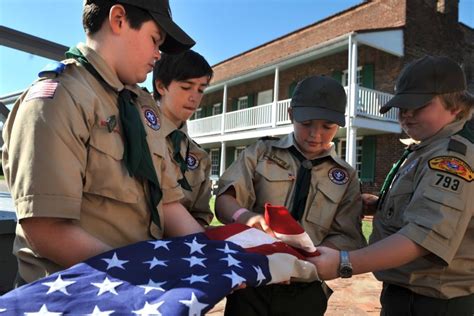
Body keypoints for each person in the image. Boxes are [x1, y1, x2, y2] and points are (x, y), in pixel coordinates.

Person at [1, 0, 204, 286]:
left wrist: (211, 258)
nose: (158, 54)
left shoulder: (142, 109)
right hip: (78, 296)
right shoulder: (58, 98)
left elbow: (168, 205)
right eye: (154, 39)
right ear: (119, 19)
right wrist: (146, 277)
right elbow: (46, 229)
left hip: (138, 292)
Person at [312, 55, 474, 315]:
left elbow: (424, 237)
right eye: (402, 106)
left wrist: (345, 261)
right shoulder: (426, 148)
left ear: (455, 107)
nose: (406, 114)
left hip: (434, 304)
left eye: (418, 106)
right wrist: (382, 206)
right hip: (407, 296)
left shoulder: (450, 159)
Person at [214, 75, 367, 316]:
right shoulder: (261, 152)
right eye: (306, 123)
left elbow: (347, 235)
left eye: (327, 126)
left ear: (339, 124)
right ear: (290, 114)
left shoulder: (345, 176)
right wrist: (246, 217)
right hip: (253, 280)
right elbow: (224, 200)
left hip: (304, 289)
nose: (315, 134)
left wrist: (304, 263)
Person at [152, 50, 214, 227]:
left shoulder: (200, 157)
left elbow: (201, 216)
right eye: (186, 87)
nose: (194, 97)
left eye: (201, 89)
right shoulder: (137, 133)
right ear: (161, 86)